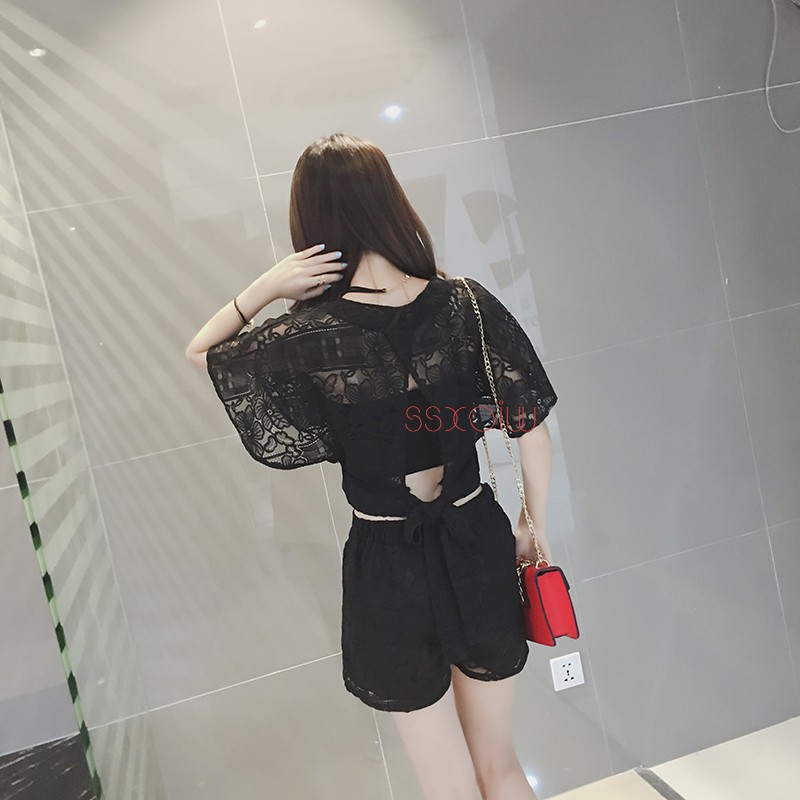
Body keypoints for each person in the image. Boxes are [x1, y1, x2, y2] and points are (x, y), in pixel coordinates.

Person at [186, 133, 558, 800]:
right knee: (500, 767)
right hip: (476, 539)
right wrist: (533, 525)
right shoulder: (464, 303)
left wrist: (267, 286)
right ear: (390, 202)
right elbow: (530, 428)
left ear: (313, 224)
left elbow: (203, 352)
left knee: (446, 785)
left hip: (388, 563)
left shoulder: (312, 334)